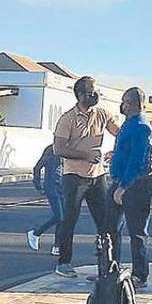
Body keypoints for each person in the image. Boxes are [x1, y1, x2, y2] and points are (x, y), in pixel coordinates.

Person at [53, 76, 120, 278]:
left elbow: (120, 133)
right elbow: (59, 148)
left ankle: (107, 264)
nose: (96, 95)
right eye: (91, 92)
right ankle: (64, 262)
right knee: (69, 220)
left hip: (97, 176)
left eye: (96, 91)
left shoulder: (102, 114)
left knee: (105, 221)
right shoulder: (67, 119)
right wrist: (85, 155)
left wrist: (118, 150)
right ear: (80, 94)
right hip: (74, 176)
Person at [106, 87, 152, 288]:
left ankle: (140, 274)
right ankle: (111, 269)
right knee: (110, 228)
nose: (122, 105)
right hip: (119, 181)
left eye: (125, 101)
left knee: (137, 231)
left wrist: (124, 187)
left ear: (133, 103)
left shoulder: (141, 127)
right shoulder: (129, 124)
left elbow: (137, 161)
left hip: (136, 185)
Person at [26, 144, 63, 256]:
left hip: (64, 187)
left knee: (63, 218)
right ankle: (35, 233)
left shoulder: (70, 148)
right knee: (59, 216)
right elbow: (37, 167)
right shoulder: (51, 149)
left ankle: (57, 246)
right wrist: (38, 185)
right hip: (51, 187)